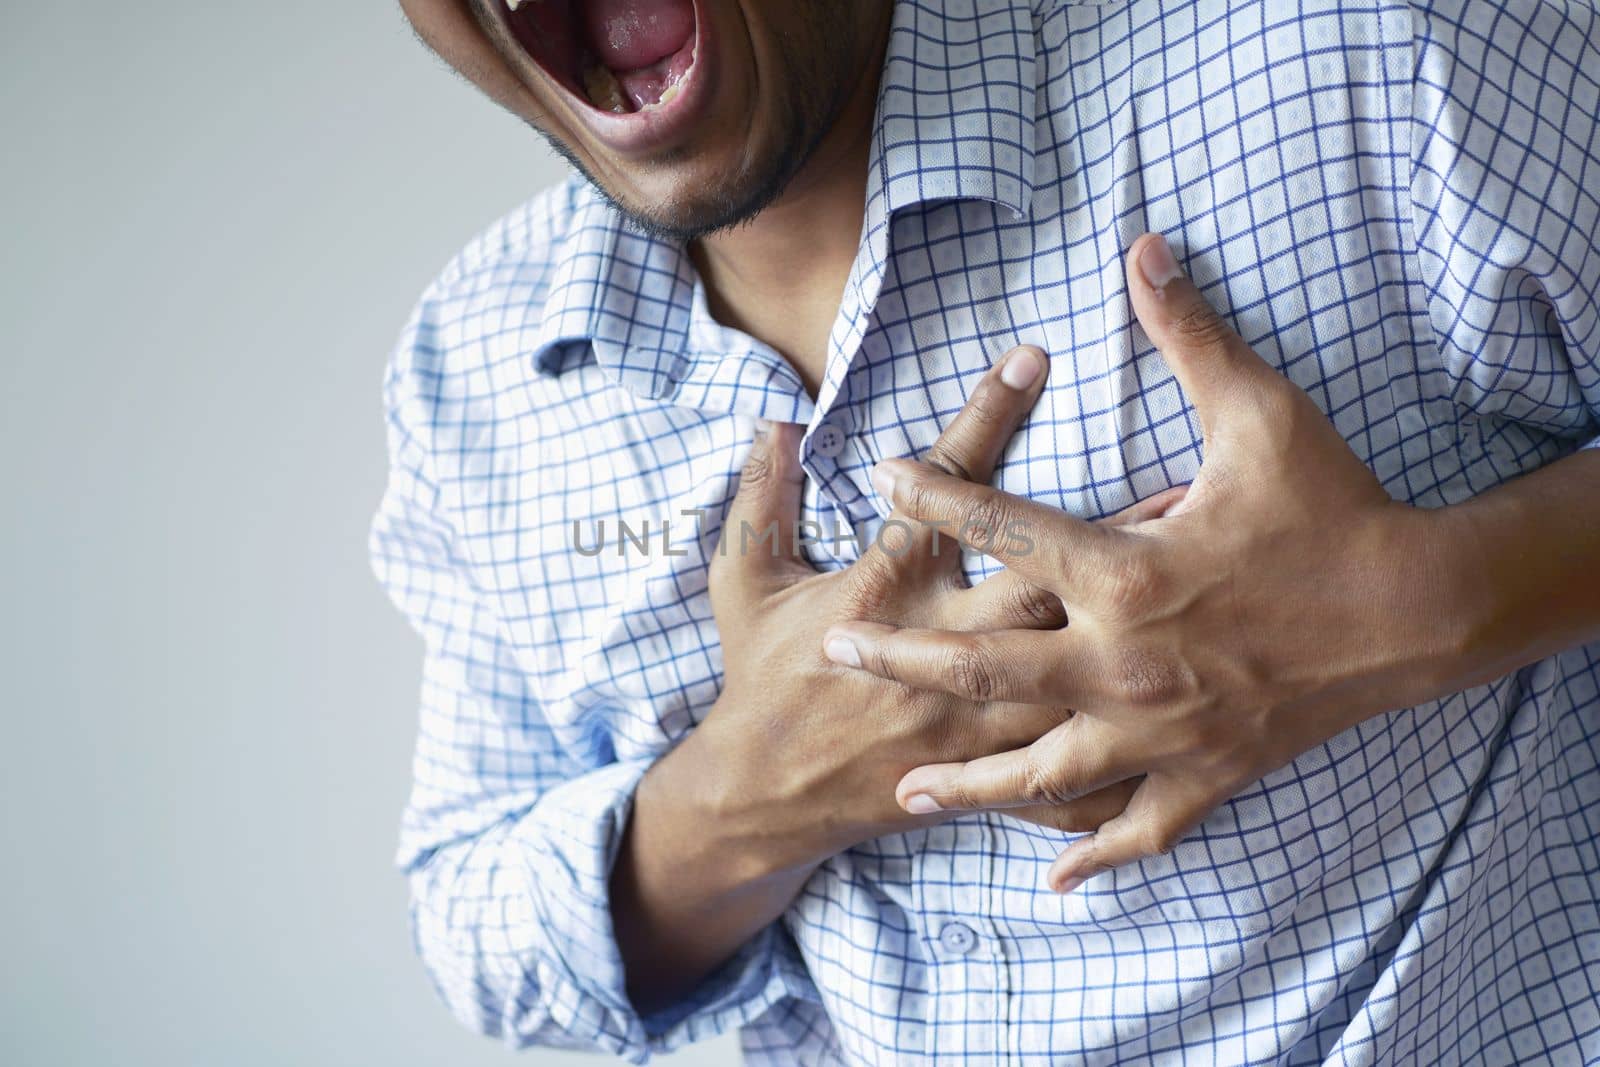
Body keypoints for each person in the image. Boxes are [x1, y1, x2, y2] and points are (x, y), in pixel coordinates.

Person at [370, 0, 1600, 1061]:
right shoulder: (467, 363)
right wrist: (759, 784)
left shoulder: (1355, 46)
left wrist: (1424, 606)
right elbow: (472, 928)